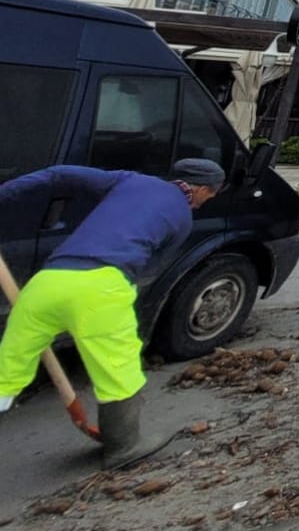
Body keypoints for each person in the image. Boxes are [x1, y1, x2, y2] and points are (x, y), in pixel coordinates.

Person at [0, 158, 225, 469]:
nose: (205, 202)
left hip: (47, 281)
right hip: (101, 287)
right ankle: (124, 446)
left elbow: (59, 174)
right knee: (118, 370)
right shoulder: (182, 219)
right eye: (209, 196)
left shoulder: (129, 180)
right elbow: (150, 267)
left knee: (8, 367)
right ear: (201, 189)